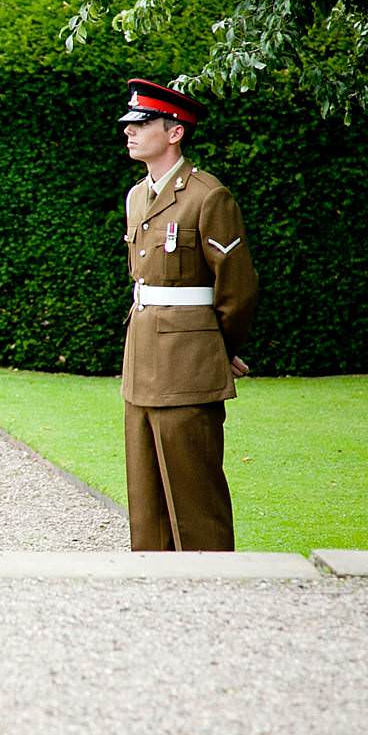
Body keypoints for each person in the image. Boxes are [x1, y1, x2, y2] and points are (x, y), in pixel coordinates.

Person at [115, 77, 258, 551]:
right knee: (145, 491)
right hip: (142, 355)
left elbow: (236, 290)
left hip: (189, 361)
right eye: (129, 124)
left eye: (142, 123)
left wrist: (222, 350)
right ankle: (152, 584)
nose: (129, 132)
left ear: (174, 132)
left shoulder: (208, 196)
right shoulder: (137, 197)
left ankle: (213, 585)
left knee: (195, 491)